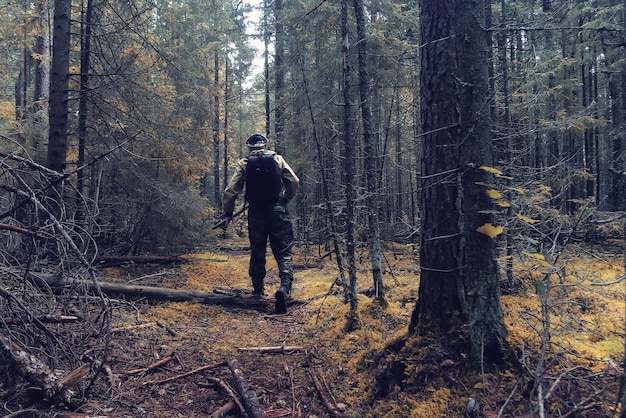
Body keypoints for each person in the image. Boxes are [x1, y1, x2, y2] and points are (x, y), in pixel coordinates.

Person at [222, 133, 299, 314]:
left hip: (256, 212)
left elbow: (230, 191)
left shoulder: (245, 163)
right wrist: (285, 198)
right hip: (277, 210)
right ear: (265, 146)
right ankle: (284, 288)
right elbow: (294, 181)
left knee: (257, 251)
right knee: (284, 251)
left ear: (250, 147)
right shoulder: (277, 159)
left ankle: (258, 291)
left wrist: (228, 213)